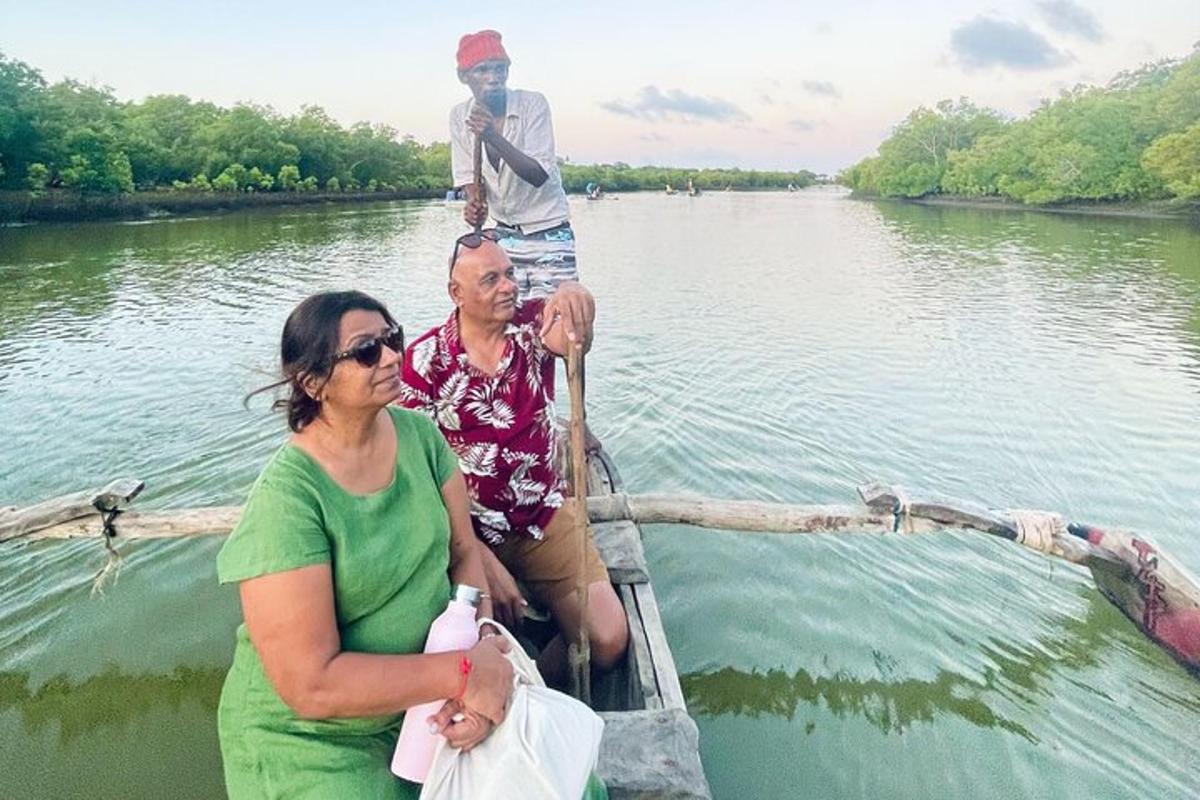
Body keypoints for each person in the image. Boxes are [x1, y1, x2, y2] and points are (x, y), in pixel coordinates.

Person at [216, 291, 515, 799]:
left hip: (427, 698)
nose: (394, 356)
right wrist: (465, 674)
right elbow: (312, 686)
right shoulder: (289, 502)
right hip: (316, 738)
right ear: (313, 383)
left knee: (565, 781)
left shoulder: (420, 436)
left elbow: (465, 552)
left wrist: (482, 643)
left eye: (391, 339)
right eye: (366, 351)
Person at [398, 233, 629, 687]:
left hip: (542, 515)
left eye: (509, 274)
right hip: (464, 533)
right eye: (490, 279)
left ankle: (533, 684)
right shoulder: (424, 361)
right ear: (456, 293)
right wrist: (480, 558)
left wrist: (576, 297)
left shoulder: (532, 329)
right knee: (465, 645)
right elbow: (412, 473)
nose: (508, 287)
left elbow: (572, 333)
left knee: (608, 640)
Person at [449, 30, 577, 301]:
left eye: (500, 69)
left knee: (553, 323)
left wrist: (492, 136)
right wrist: (474, 203)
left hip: (549, 231)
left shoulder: (533, 103)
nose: (493, 78)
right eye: (482, 70)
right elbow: (466, 176)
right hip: (505, 234)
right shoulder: (460, 116)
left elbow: (539, 174)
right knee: (511, 323)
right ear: (464, 77)